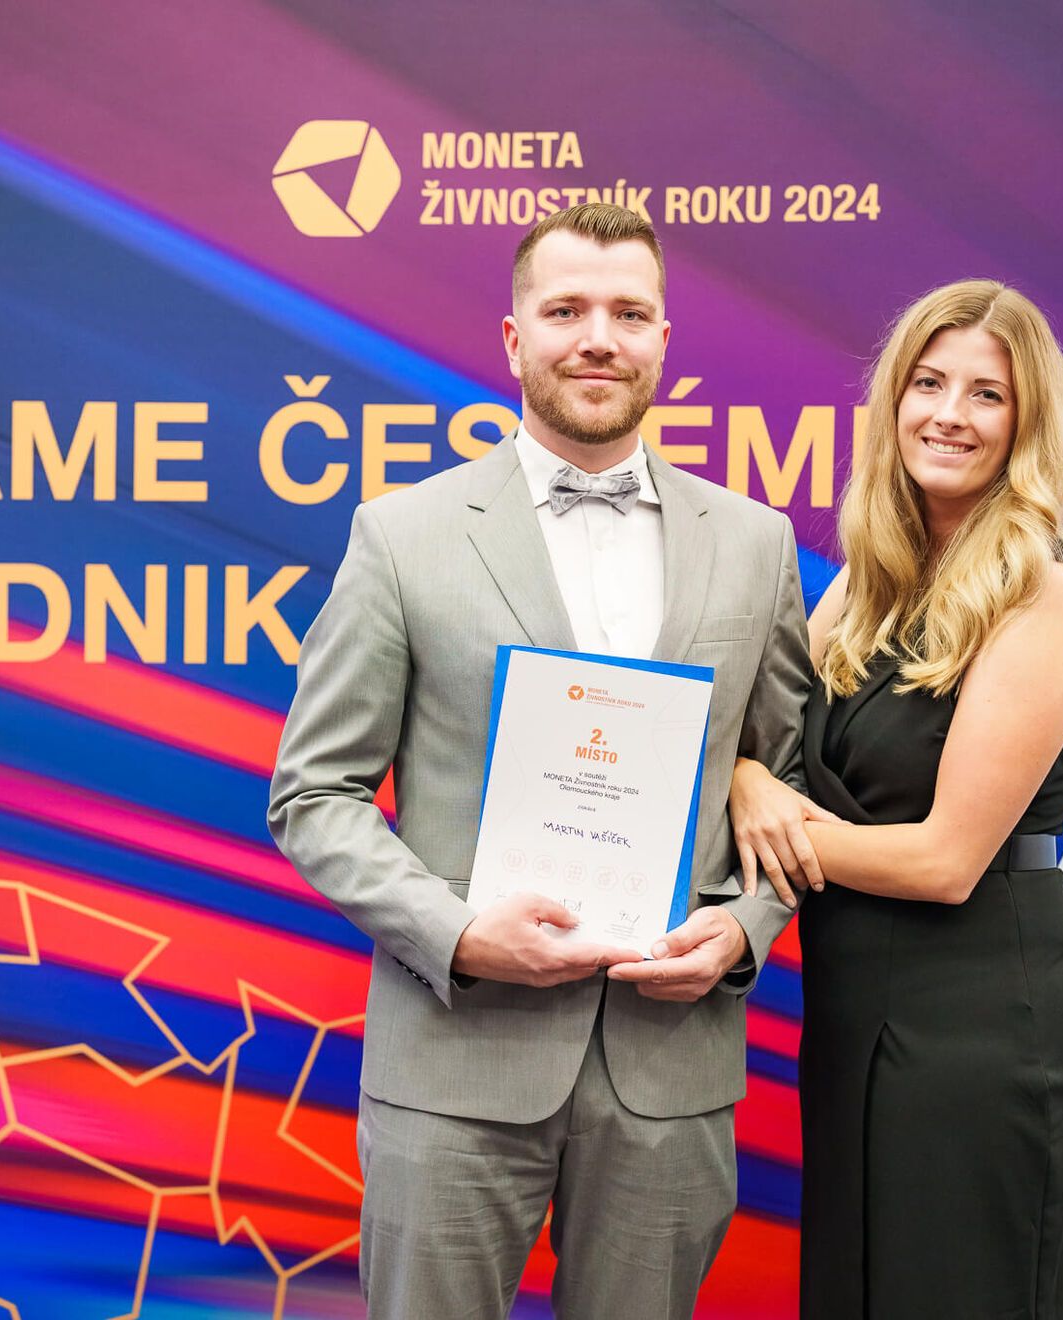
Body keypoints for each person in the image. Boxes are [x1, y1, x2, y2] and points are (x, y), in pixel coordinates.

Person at [268, 202, 810, 1318]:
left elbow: (784, 782)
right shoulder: (403, 536)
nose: (598, 339)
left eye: (628, 314)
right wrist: (459, 935)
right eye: (566, 311)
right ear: (515, 340)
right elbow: (315, 795)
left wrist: (743, 931)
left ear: (665, 341)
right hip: (455, 1063)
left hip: (668, 1071)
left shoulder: (756, 545)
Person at [728, 279, 1063, 1319]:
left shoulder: (1043, 591)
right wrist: (746, 780)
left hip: (978, 1023)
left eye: (987, 394)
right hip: (855, 1009)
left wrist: (765, 813)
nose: (950, 414)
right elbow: (765, 743)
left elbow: (946, 862)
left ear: (1026, 424)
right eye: (929, 383)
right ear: (893, 400)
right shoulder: (871, 582)